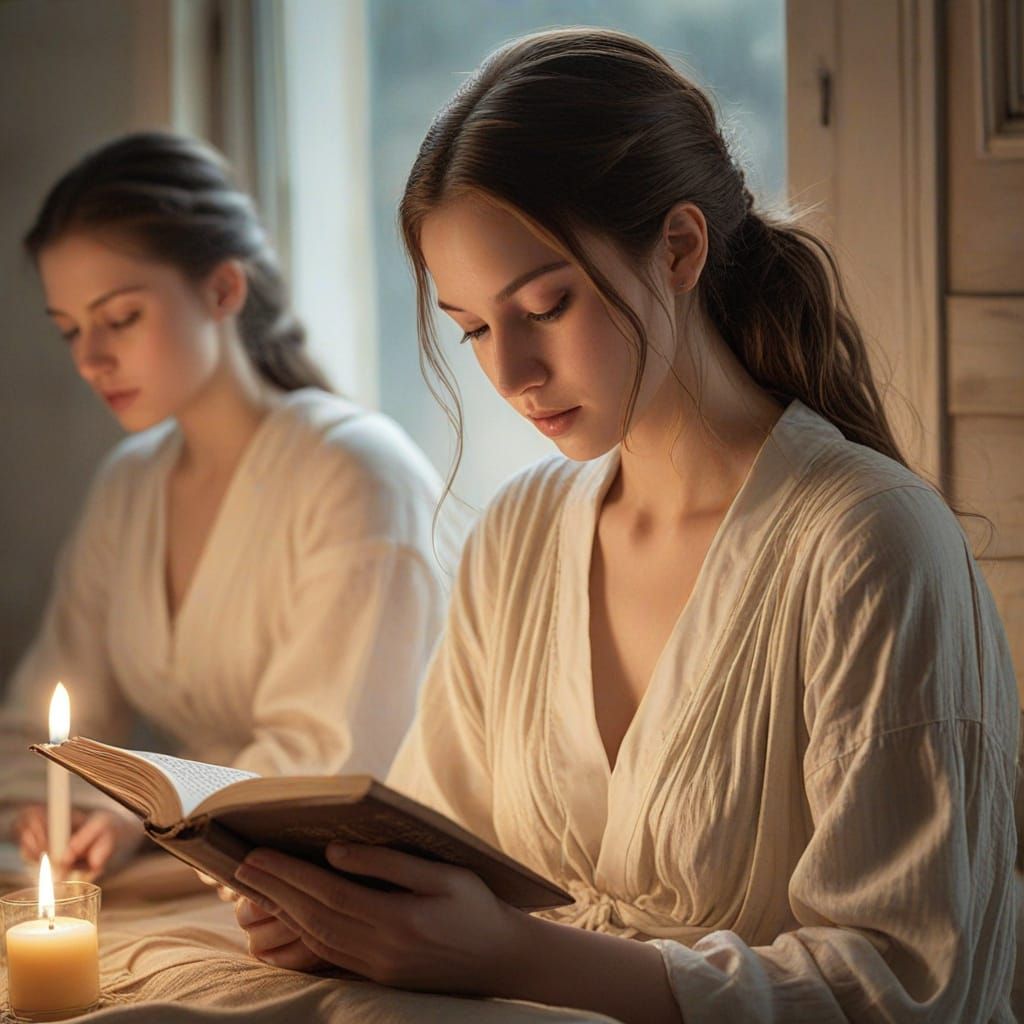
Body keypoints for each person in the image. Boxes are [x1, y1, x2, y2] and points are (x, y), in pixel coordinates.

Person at [233, 29, 1018, 1024]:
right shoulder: (516, 537)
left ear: (679, 248)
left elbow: (906, 985)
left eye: (545, 305)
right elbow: (440, 839)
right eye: (473, 329)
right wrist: (347, 907)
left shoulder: (868, 542)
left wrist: (515, 953)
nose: (510, 373)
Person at [1, 131, 455, 883]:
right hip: (200, 870)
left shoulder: (356, 474)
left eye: (121, 318)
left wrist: (141, 809)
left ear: (222, 290)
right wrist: (60, 810)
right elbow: (44, 726)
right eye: (71, 330)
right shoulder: (129, 486)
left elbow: (330, 763)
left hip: (351, 882)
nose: (89, 360)